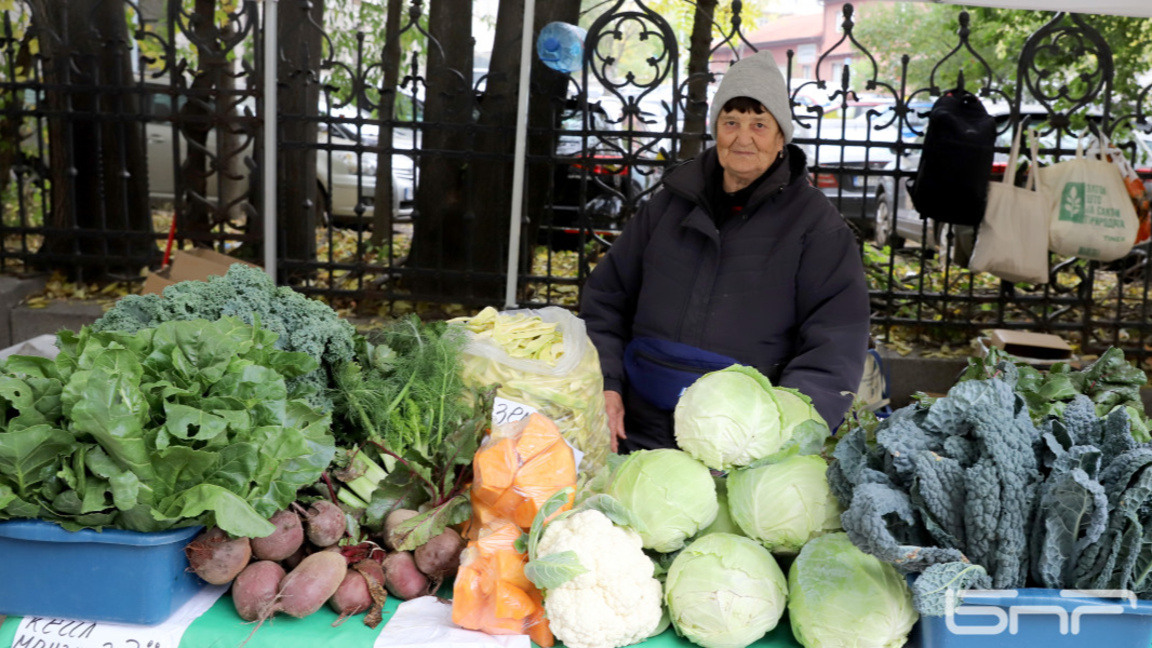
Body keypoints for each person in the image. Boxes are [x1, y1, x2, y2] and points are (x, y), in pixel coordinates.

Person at [579, 51, 870, 453]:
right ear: (716, 128)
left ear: (781, 136)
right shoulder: (667, 206)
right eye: (731, 121)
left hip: (743, 447)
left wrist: (779, 434)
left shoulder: (816, 226)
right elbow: (605, 301)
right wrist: (606, 385)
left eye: (759, 124)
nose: (743, 137)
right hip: (637, 431)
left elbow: (836, 342)